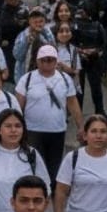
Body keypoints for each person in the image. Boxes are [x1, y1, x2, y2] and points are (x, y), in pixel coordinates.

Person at [16, 44, 85, 181]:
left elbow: (72, 103)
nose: (47, 63)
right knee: (35, 167)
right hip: (32, 131)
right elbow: (18, 107)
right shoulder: (27, 79)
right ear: (37, 61)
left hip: (57, 131)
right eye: (44, 60)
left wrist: (81, 126)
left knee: (54, 168)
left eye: (51, 59)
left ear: (56, 61)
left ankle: (52, 194)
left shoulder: (65, 79)